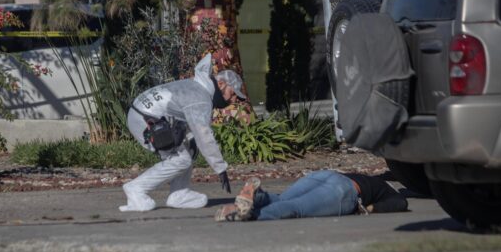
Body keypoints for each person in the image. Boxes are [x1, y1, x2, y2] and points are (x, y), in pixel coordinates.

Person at [119, 53, 246, 212]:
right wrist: (220, 168)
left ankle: (179, 194)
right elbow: (204, 136)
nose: (233, 100)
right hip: (145, 118)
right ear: (220, 83)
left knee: (190, 146)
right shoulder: (201, 97)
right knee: (182, 159)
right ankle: (135, 189)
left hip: (146, 114)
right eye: (233, 94)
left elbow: (195, 135)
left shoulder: (197, 87)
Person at [214, 170, 408, 221]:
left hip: (325, 175)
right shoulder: (389, 188)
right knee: (296, 208)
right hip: (346, 191)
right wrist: (369, 209)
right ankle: (246, 215)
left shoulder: (372, 178)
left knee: (283, 199)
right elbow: (400, 203)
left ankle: (257, 196)